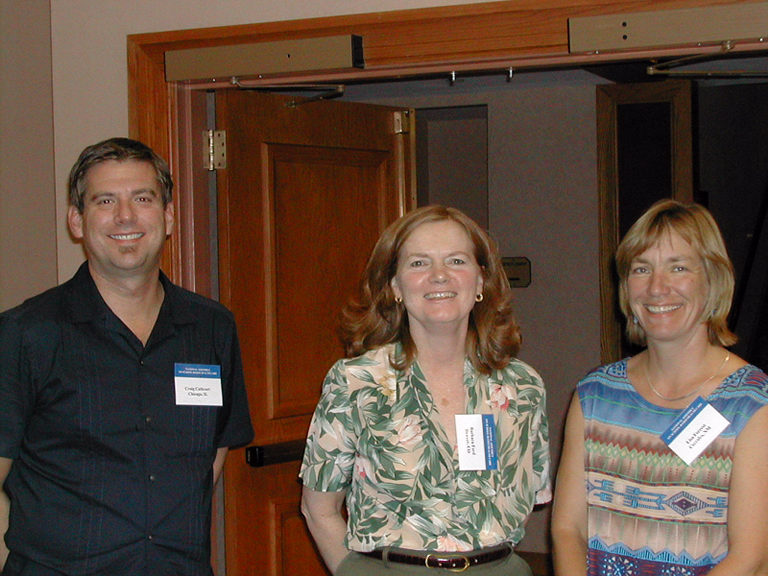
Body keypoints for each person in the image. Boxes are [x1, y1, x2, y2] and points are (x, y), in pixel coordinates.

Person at [0, 137, 253, 576]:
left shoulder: (212, 328)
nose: (125, 216)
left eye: (142, 198)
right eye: (105, 201)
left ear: (168, 216)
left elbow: (212, 453)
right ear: (76, 221)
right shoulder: (26, 333)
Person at [299, 205, 551, 575]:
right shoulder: (356, 382)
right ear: (395, 286)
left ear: (481, 281)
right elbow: (318, 509)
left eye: (456, 261)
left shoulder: (523, 387)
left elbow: (524, 501)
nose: (439, 276)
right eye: (419, 263)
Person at [552, 199, 768, 576]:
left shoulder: (750, 402)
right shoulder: (595, 395)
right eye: (642, 269)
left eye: (678, 267)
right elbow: (568, 531)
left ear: (713, 280)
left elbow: (751, 557)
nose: (657, 287)